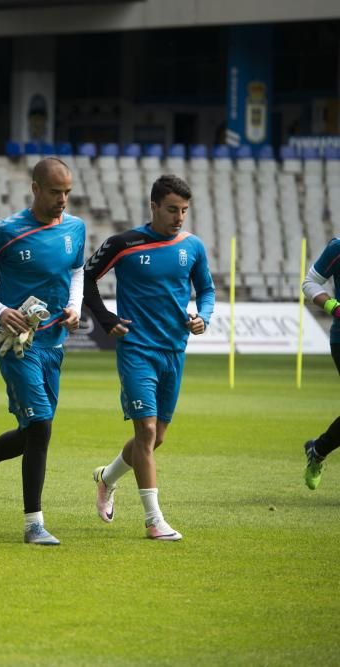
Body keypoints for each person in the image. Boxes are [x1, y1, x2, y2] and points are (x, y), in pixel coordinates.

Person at [0, 157, 86, 546]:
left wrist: (75, 307)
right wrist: (0, 311)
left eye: (67, 192)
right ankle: (34, 524)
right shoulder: (6, 231)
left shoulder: (75, 228)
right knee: (41, 426)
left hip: (54, 343)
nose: (62, 199)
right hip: (17, 344)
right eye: (55, 191)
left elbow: (77, 270)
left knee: (33, 431)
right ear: (35, 188)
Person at [83, 174, 215, 541]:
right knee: (146, 431)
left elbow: (206, 288)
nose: (179, 217)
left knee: (157, 439)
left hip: (174, 350)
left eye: (185, 210)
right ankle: (154, 520)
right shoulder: (124, 244)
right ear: (154, 206)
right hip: (137, 349)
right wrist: (106, 318)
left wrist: (204, 315)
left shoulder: (193, 247)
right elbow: (86, 277)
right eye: (172, 209)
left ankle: (106, 478)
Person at [300, 238, 340, 489]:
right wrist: (332, 305)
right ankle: (318, 451)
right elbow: (309, 283)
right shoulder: (337, 248)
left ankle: (318, 450)